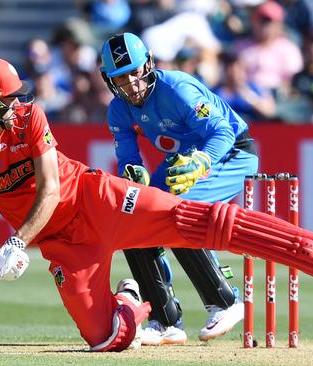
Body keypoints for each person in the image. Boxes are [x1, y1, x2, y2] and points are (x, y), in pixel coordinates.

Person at [0, 57, 313, 353]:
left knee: (196, 220)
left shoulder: (31, 117)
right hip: (63, 243)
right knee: (103, 339)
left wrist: (15, 244)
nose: (17, 106)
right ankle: (132, 300)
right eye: (6, 102)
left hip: (95, 197)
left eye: (18, 97)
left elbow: (50, 189)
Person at [101, 32, 257, 346]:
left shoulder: (177, 89)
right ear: (109, 79)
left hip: (231, 153)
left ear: (148, 64)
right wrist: (135, 174)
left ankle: (226, 302)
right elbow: (129, 159)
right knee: (134, 214)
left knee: (177, 212)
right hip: (182, 160)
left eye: (134, 72)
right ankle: (165, 320)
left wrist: (202, 161)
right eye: (121, 77)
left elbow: (222, 131)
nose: (131, 84)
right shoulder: (118, 110)